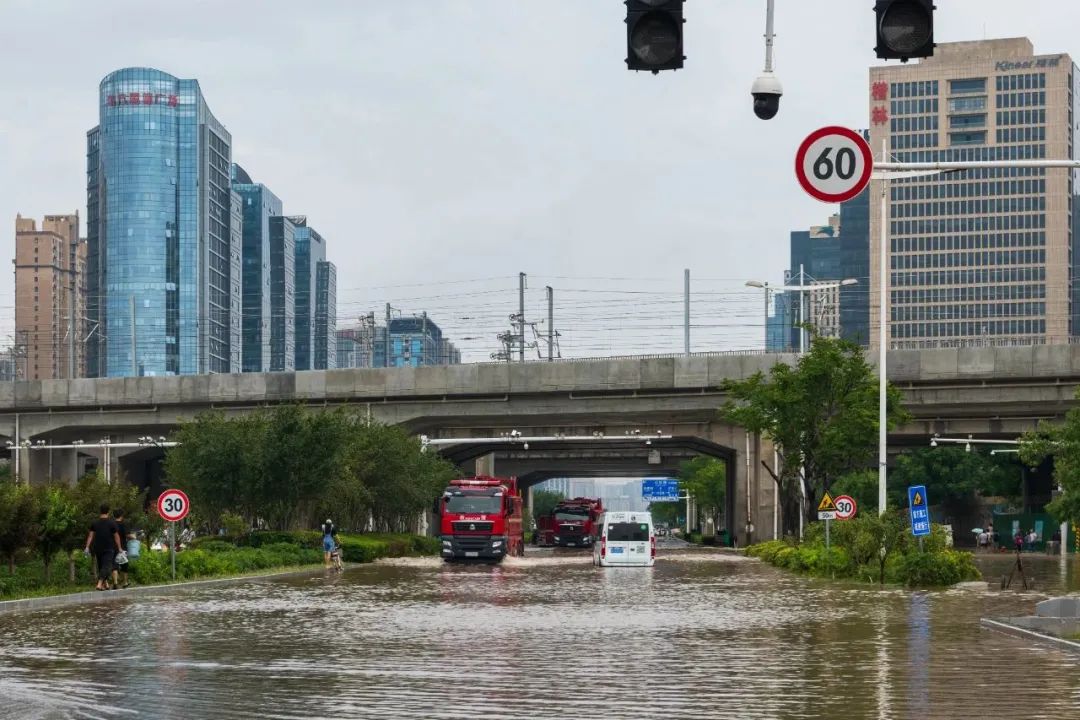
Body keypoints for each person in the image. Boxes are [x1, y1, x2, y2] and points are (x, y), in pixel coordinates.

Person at [84, 504, 122, 591]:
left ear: (100, 511)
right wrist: (119, 548)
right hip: (109, 548)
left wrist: (87, 547)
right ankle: (99, 583)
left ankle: (105, 585)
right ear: (108, 511)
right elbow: (117, 537)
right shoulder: (112, 523)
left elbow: (90, 536)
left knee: (101, 567)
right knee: (106, 566)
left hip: (97, 548)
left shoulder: (95, 523)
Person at [112, 509, 130, 589]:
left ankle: (115, 582)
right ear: (121, 516)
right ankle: (125, 582)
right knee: (124, 565)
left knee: (114, 565)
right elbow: (127, 535)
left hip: (112, 547)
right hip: (123, 548)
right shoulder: (123, 524)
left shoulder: (111, 524)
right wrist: (133, 537)